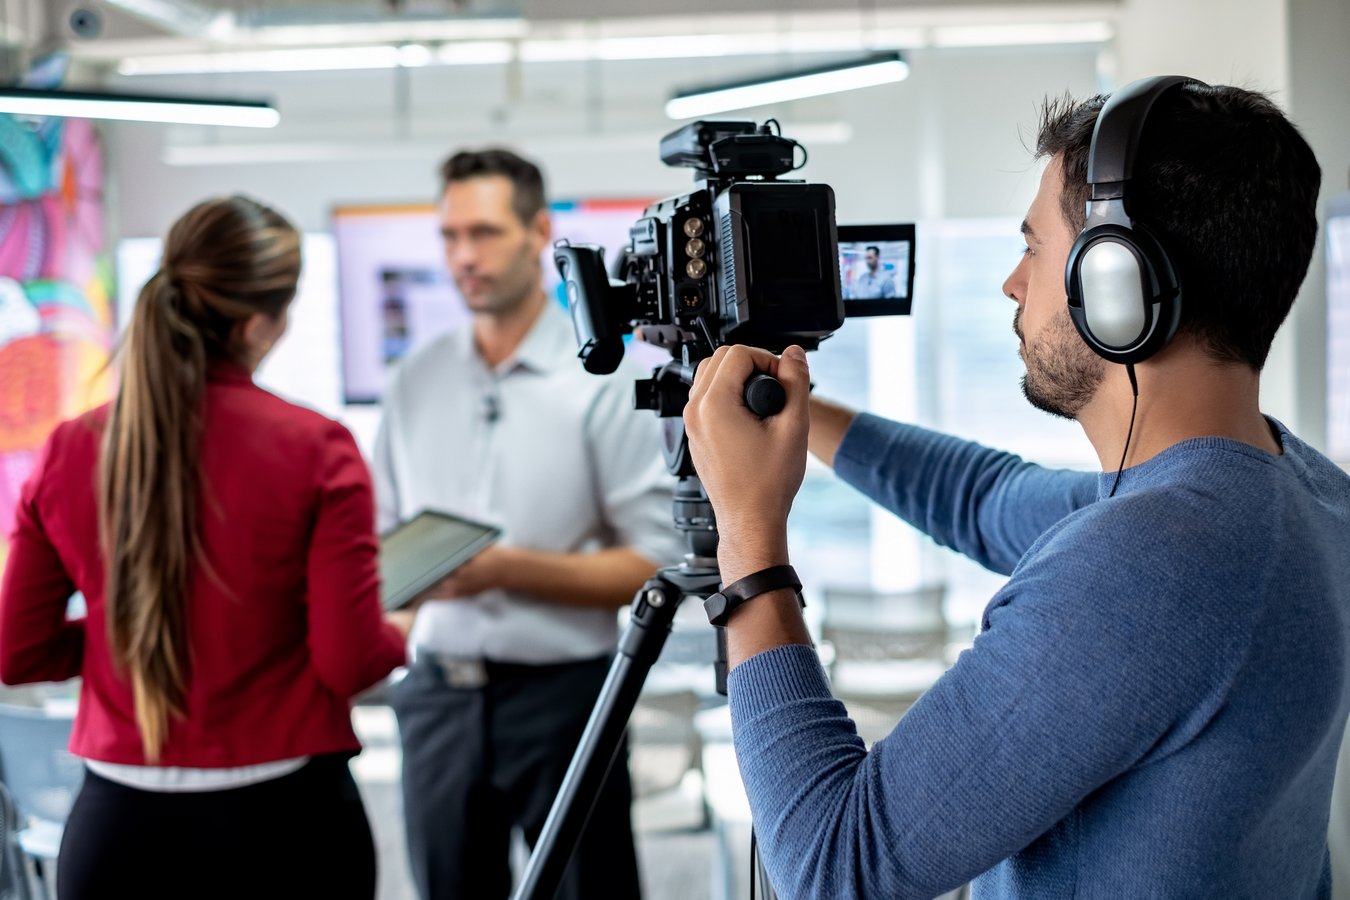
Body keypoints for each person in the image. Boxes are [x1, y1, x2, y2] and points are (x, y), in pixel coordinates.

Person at [683, 78, 1350, 897]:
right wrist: (796, 411)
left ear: (1118, 281)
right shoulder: (1298, 492)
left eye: (1033, 248)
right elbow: (983, 498)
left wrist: (749, 536)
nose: (1012, 283)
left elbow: (831, 866)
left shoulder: (1152, 561)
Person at [0, 196, 411, 899]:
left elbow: (17, 651)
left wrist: (124, 635)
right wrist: (402, 628)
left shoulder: (72, 448)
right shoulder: (316, 449)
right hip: (285, 829)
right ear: (260, 323)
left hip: (116, 836)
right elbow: (348, 661)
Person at [373, 147, 678, 900]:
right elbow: (376, 551)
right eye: (450, 237)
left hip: (567, 699)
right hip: (436, 700)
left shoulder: (602, 377)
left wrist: (504, 570)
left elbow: (656, 562)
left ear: (539, 231)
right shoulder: (415, 379)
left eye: (484, 233)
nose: (464, 257)